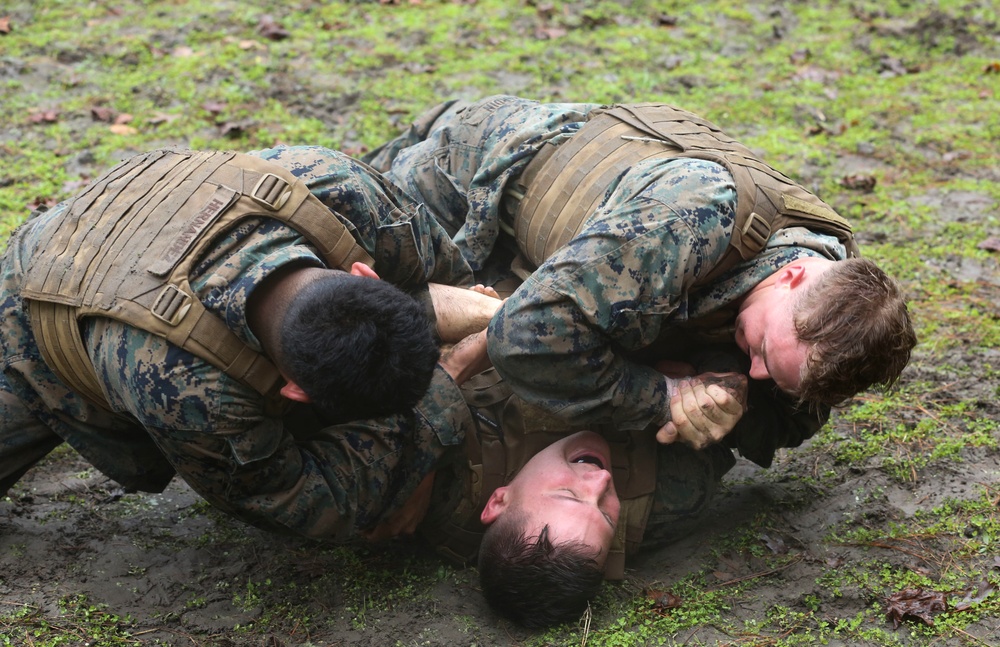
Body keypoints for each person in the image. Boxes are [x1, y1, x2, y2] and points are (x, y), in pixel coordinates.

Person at [363, 95, 917, 625]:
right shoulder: (685, 226)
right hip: (475, 179)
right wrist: (666, 397)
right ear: (792, 277)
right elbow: (524, 338)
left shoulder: (838, 311)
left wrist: (730, 392)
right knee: (342, 262)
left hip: (556, 256)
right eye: (764, 354)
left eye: (774, 372)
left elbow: (792, 419)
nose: (759, 371)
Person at [0, 144, 501, 541]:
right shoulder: (189, 392)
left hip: (145, 212)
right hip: (37, 301)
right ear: (293, 390)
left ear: (365, 274)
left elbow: (442, 276)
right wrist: (442, 397)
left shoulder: (339, 191)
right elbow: (300, 502)